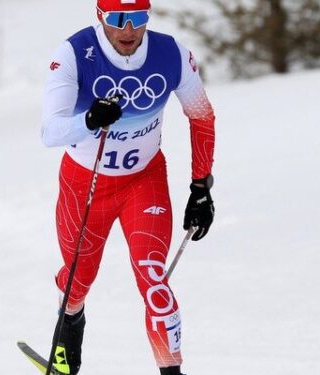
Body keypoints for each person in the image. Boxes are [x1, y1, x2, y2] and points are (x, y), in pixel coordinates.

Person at [41, 0, 215, 374]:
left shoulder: (170, 54)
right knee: (78, 281)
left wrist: (201, 186)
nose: (128, 30)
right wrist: (88, 120)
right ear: (101, 16)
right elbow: (49, 132)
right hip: (84, 183)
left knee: (154, 277)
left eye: (138, 19)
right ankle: (67, 345)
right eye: (118, 20)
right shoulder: (74, 53)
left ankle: (172, 370)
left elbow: (201, 115)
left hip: (144, 182)